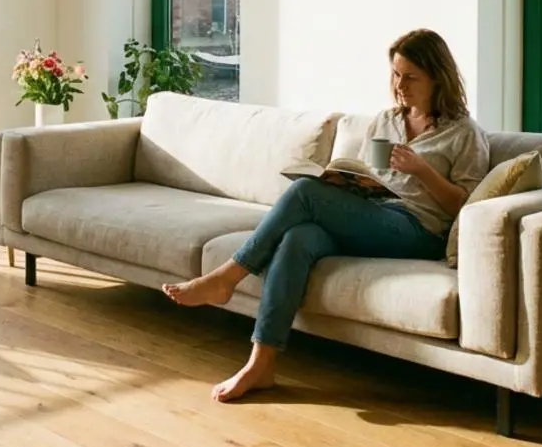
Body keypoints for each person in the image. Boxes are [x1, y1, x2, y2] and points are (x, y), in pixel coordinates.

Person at [161, 28, 490, 402]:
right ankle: (261, 364)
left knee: (304, 193)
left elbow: (465, 206)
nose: (400, 84)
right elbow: (370, 175)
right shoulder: (386, 121)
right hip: (372, 215)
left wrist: (422, 171)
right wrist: (347, 183)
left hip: (418, 230)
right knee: (296, 239)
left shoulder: (464, 133)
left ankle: (228, 276)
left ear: (437, 76)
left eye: (411, 76)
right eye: (396, 74)